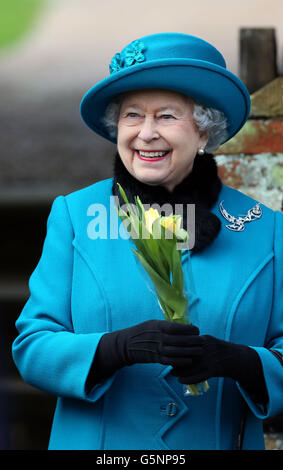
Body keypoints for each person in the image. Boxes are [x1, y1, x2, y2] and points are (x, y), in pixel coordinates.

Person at [12, 32, 283, 451]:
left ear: (205, 132)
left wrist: (242, 361)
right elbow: (32, 346)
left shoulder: (265, 230)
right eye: (132, 115)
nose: (146, 133)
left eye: (168, 117)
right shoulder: (75, 216)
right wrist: (111, 349)